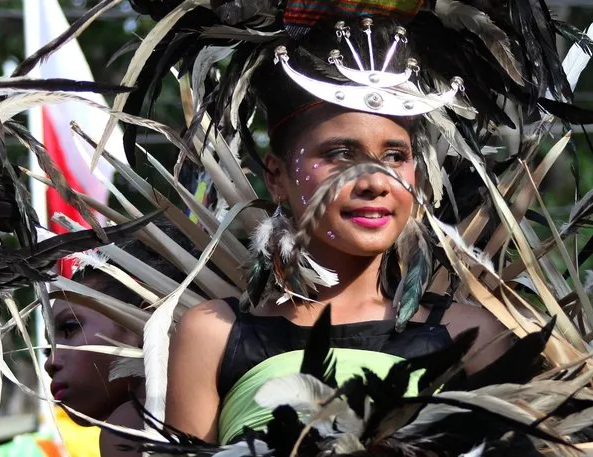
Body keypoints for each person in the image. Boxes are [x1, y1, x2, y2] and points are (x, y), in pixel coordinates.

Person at [163, 18, 516, 444]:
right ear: (276, 176)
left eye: (394, 155)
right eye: (340, 153)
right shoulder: (214, 334)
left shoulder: (470, 335)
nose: (374, 181)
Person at [44, 232, 193, 457]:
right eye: (49, 347)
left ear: (147, 320)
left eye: (70, 328)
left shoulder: (130, 428)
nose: (49, 362)